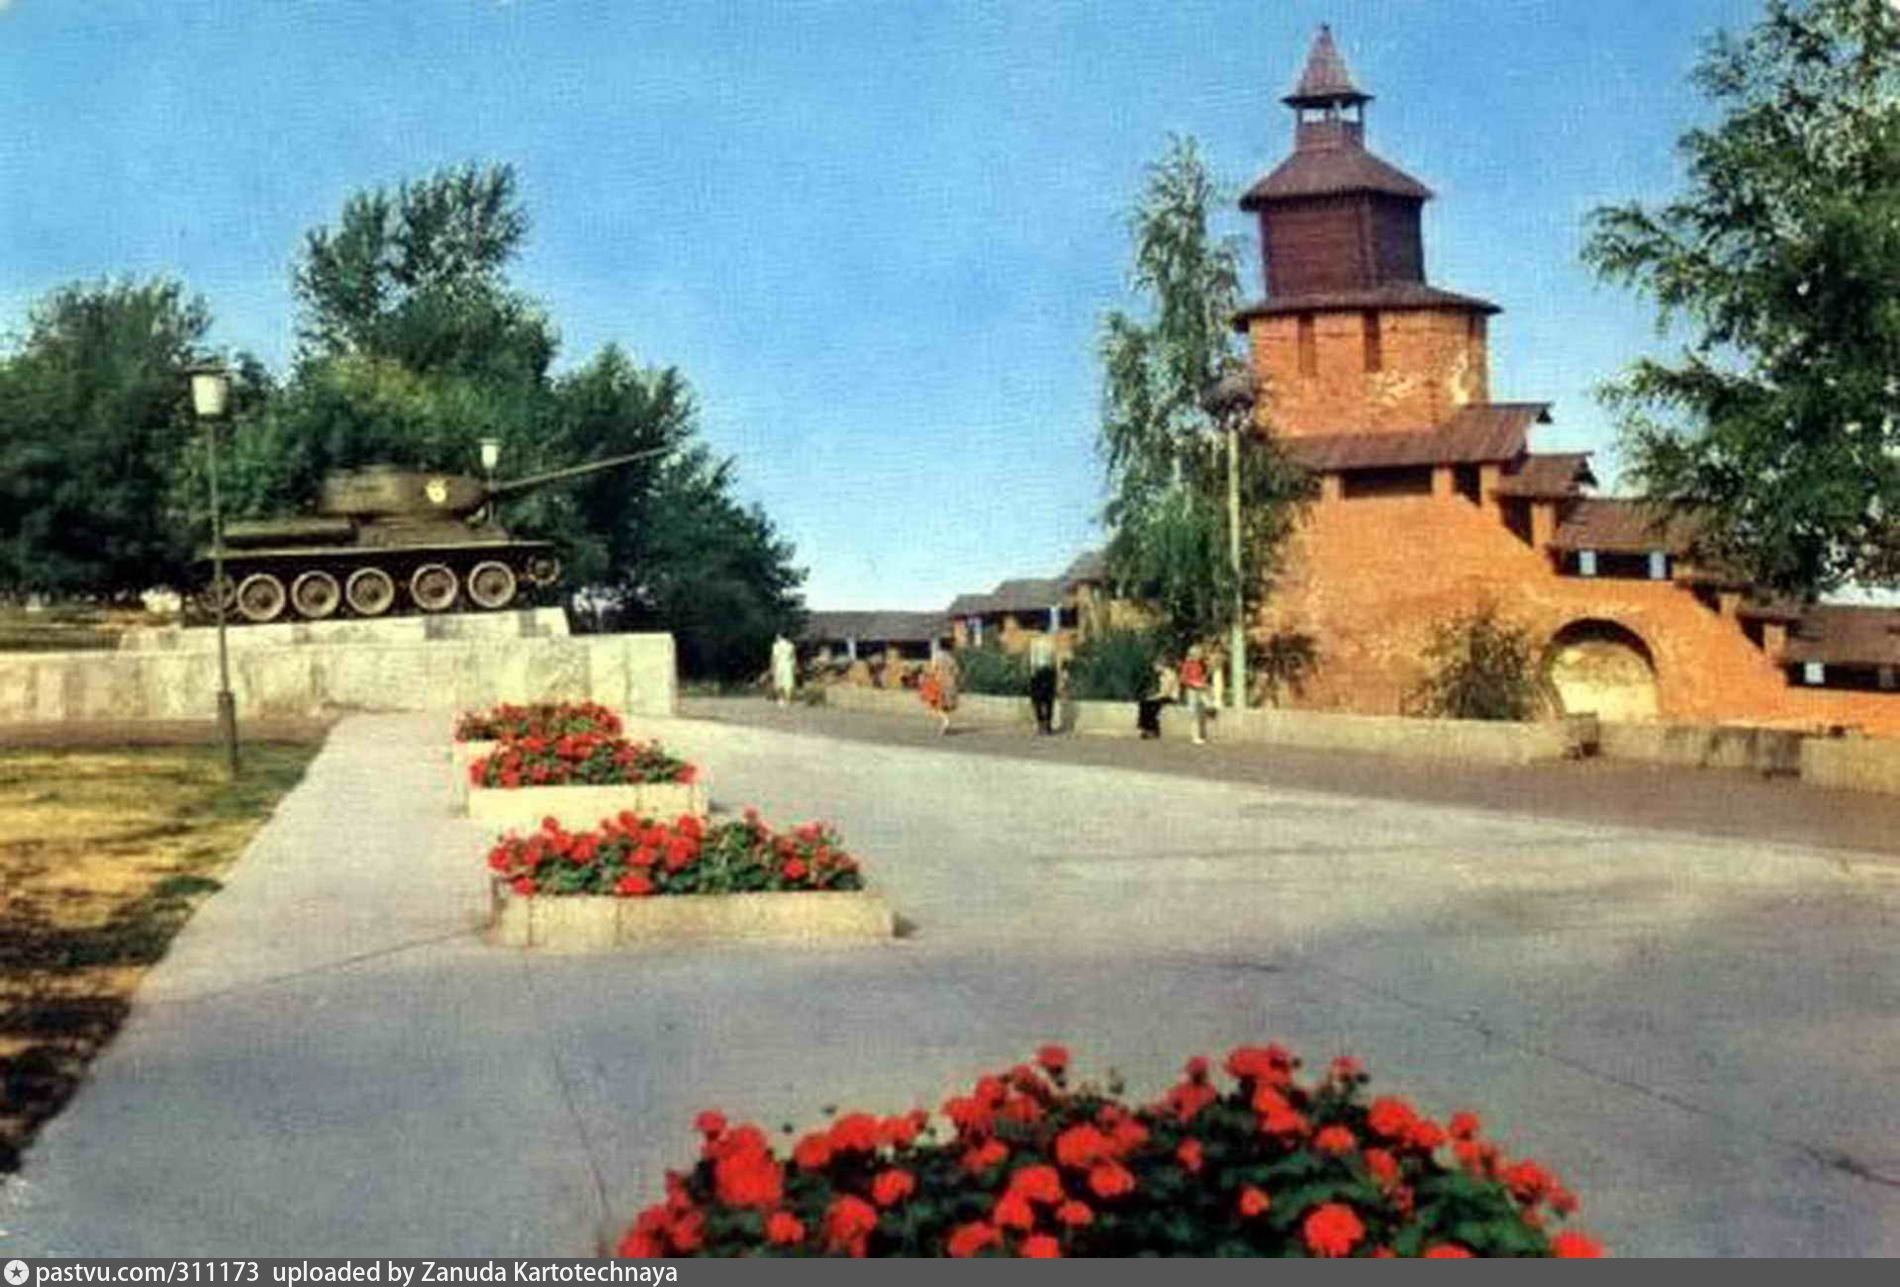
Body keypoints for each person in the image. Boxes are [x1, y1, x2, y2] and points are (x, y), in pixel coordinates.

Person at [919, 646, 961, 735]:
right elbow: (957, 672)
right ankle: (945, 721)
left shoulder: (937, 659)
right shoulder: (952, 660)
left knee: (935, 705)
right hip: (951, 684)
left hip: (940, 684)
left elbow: (932, 671)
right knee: (944, 706)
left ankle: (945, 721)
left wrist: (925, 675)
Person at [1138, 655, 1178, 739]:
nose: (1155, 669)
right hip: (1163, 696)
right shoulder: (1162, 675)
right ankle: (1145, 727)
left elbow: (1166, 692)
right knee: (1144, 703)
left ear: (1161, 665)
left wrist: (1153, 697)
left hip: (1170, 697)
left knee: (1153, 706)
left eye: (1156, 666)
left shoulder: (1169, 675)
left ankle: (1152, 729)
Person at [1027, 632, 1059, 735]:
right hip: (1048, 671)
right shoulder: (1051, 642)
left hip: (1039, 672)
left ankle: (1041, 724)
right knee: (1048, 700)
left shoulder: (1035, 642)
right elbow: (1054, 659)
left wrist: (1032, 673)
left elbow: (1033, 659)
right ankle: (1047, 725)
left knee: (1038, 700)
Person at [1180, 644, 1211, 745]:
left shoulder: (1199, 665)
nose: (1200, 656)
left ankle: (1201, 734)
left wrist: (1203, 683)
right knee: (1194, 714)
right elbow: (1183, 679)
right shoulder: (1187, 664)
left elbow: (1201, 676)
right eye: (1198, 654)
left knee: (1201, 712)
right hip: (1192, 690)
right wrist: (1193, 683)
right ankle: (1195, 736)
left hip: (1200, 690)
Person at [770, 633, 797, 707]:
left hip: (779, 664)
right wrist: (794, 667)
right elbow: (793, 658)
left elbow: (774, 657)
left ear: (780, 636)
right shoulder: (791, 645)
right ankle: (788, 700)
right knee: (788, 682)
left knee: (779, 682)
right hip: (788, 665)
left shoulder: (776, 645)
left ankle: (781, 699)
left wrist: (772, 667)